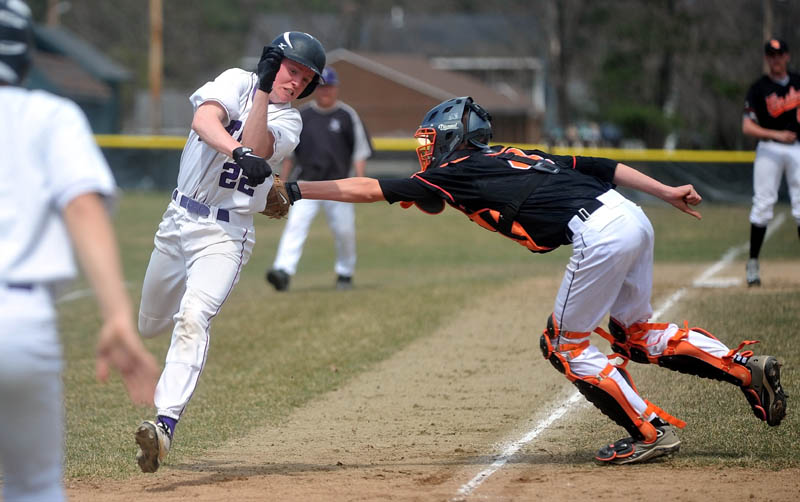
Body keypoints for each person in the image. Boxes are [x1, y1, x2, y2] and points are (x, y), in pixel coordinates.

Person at [274, 96, 787, 465]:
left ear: (452, 138)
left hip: (599, 233)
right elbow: (600, 164)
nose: (426, 150)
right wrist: (665, 191)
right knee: (634, 333)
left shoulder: (456, 168)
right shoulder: (506, 155)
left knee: (562, 345)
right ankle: (743, 369)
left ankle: (648, 433)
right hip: (628, 215)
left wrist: (297, 189)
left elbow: (367, 187)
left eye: (431, 140)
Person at [134, 31, 326, 473]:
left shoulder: (291, 122)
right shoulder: (236, 80)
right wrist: (245, 119)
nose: (296, 82)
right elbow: (205, 121)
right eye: (291, 69)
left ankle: (164, 426)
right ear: (272, 62)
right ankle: (162, 401)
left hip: (226, 235)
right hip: (177, 220)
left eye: (305, 78)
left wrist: (261, 102)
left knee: (193, 316)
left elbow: (259, 147)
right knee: (148, 325)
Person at [0, 1, 159, 500]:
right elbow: (83, 209)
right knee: (35, 486)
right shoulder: (50, 116)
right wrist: (115, 314)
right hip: (19, 321)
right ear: (26, 53)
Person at [266, 66, 373, 291]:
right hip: (306, 183)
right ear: (316, 89)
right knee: (295, 226)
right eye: (322, 87)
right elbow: (290, 155)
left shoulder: (347, 115)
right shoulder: (303, 115)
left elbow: (359, 152)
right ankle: (282, 271)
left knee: (344, 231)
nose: (326, 91)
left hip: (340, 185)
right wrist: (281, 184)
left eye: (330, 87)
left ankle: (345, 274)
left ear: (336, 89)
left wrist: (361, 182)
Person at [742, 38, 800, 286]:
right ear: (767, 58)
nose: (775, 59)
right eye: (771, 55)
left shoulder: (798, 82)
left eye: (779, 54)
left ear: (787, 56)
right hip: (769, 149)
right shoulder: (758, 88)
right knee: (763, 204)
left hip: (797, 147)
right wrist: (776, 134)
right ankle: (753, 264)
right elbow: (747, 126)